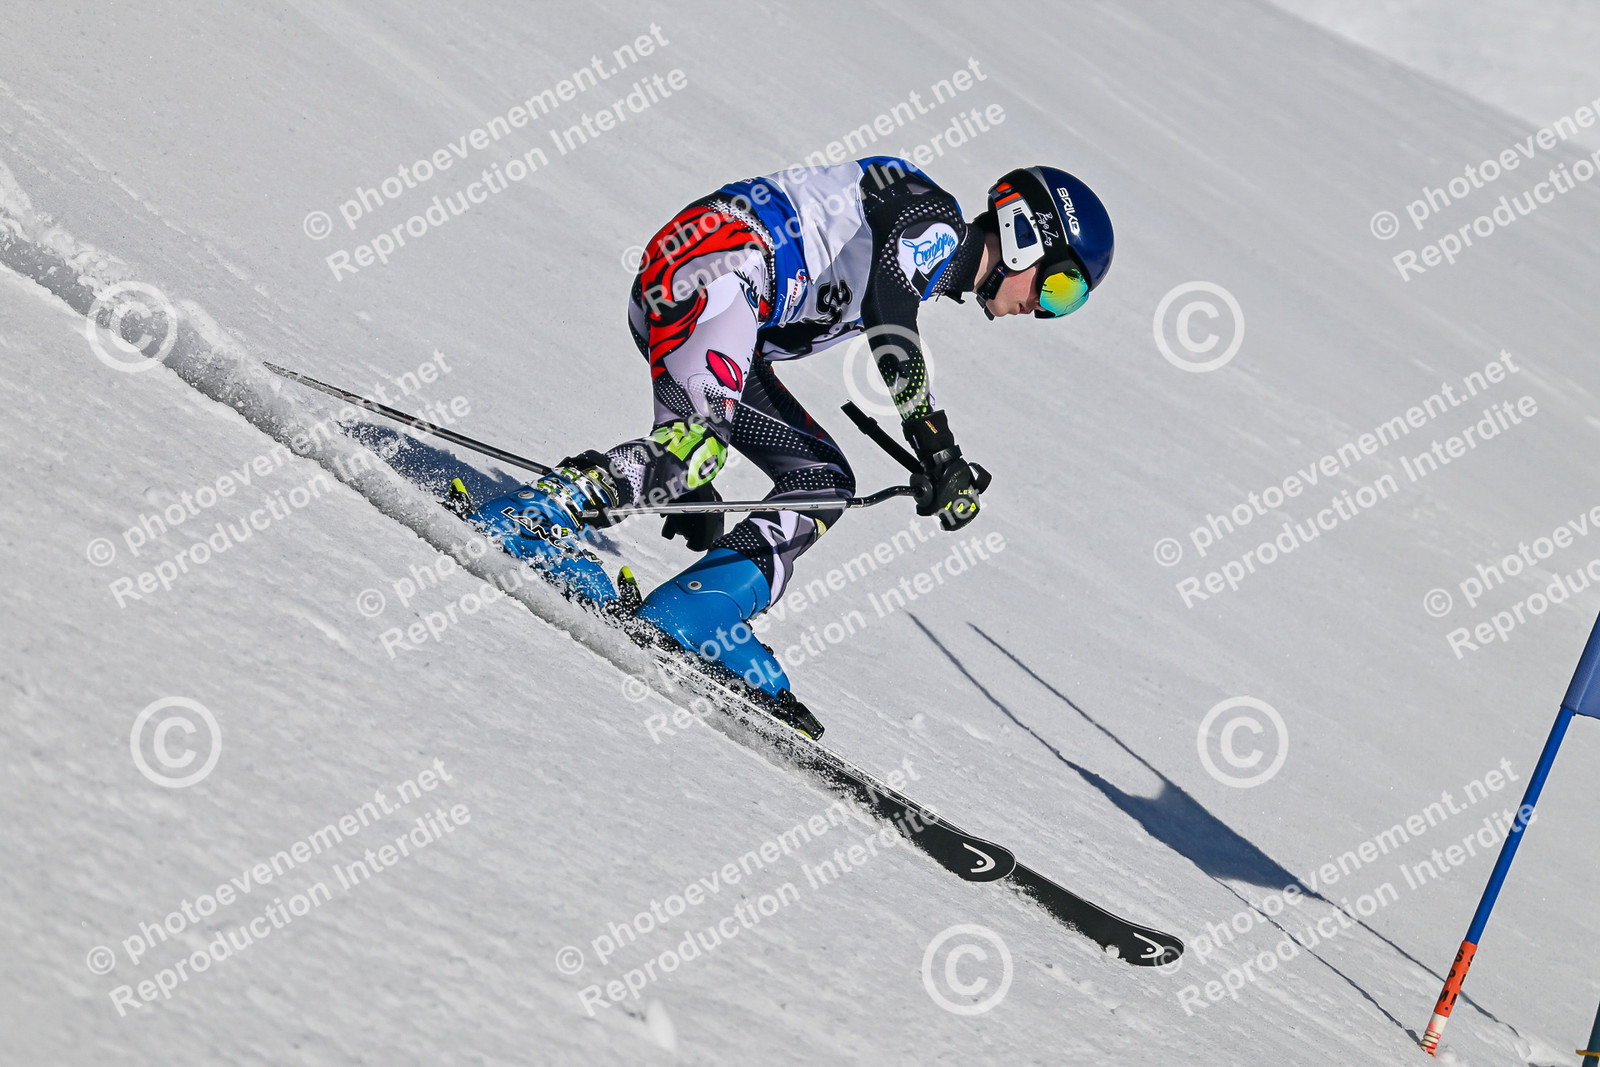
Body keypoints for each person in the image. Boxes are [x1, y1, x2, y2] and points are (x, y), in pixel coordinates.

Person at [469, 157, 1113, 734]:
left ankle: (701, 609)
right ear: (1027, 235)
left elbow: (870, 310)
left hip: (714, 301)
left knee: (822, 482)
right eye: (1060, 288)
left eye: (1067, 304)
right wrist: (937, 447)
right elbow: (889, 311)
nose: (1045, 310)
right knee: (697, 446)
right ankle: (533, 515)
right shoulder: (931, 215)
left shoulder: (924, 258)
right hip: (713, 266)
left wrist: (687, 485)